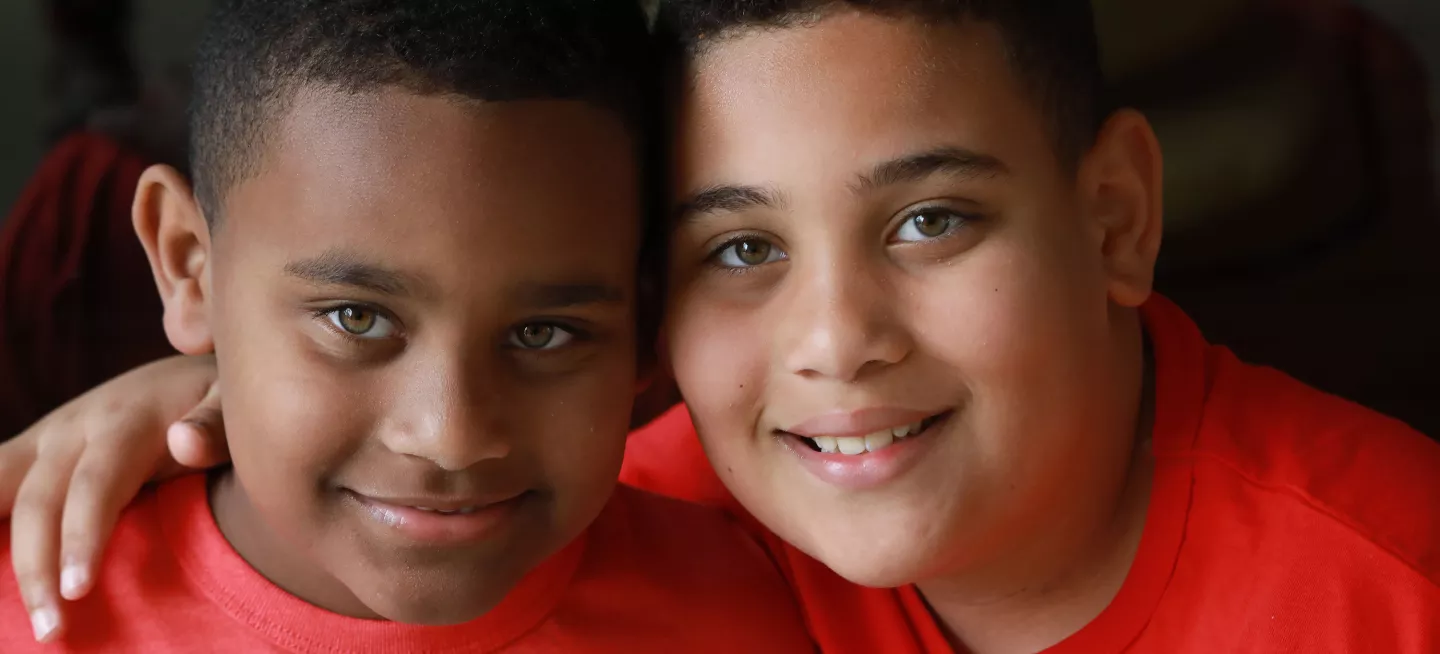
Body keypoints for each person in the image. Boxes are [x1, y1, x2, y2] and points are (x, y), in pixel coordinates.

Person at [6, 1, 1440, 652]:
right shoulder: (676, 493)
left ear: (1118, 215)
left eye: (932, 219)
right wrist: (209, 390)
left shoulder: (1396, 580)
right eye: (742, 246)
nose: (835, 341)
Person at [0, 0, 817, 651]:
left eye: (545, 333)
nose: (451, 436)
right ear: (187, 263)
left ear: (647, 321)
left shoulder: (759, 601)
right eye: (356, 318)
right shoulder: (25, 617)